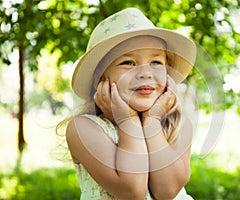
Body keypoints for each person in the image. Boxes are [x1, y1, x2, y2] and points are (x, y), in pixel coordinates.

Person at [58, 7, 196, 199]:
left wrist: (153, 121)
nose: (145, 73)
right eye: (128, 63)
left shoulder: (177, 124)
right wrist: (127, 120)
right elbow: (132, 191)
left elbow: (167, 191)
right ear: (100, 77)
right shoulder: (84, 129)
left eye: (156, 62)